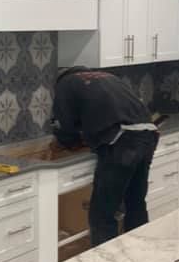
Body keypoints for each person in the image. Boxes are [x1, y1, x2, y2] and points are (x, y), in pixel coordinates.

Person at [52, 67, 159, 246]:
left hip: (123, 142)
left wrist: (68, 143)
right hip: (149, 134)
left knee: (102, 214)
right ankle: (140, 256)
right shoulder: (108, 78)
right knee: (135, 203)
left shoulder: (65, 85)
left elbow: (65, 126)